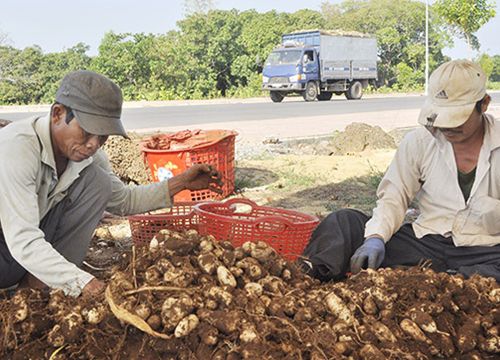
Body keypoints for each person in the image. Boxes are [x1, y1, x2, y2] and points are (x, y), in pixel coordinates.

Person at [0, 70, 223, 297]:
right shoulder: (17, 148)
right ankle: (32, 292)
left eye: (103, 136)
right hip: (8, 249)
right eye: (87, 132)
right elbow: (23, 238)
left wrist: (182, 181)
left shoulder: (88, 156)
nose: (94, 144)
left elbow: (123, 200)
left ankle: (35, 292)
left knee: (98, 182)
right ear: (57, 114)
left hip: (24, 252)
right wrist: (81, 282)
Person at [302, 59, 500, 282]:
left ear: (483, 104)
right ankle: (309, 279)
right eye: (441, 117)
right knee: (344, 222)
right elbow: (394, 196)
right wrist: (375, 237)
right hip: (426, 243)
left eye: (457, 118)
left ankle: (445, 280)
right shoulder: (419, 142)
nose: (446, 127)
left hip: (485, 249)